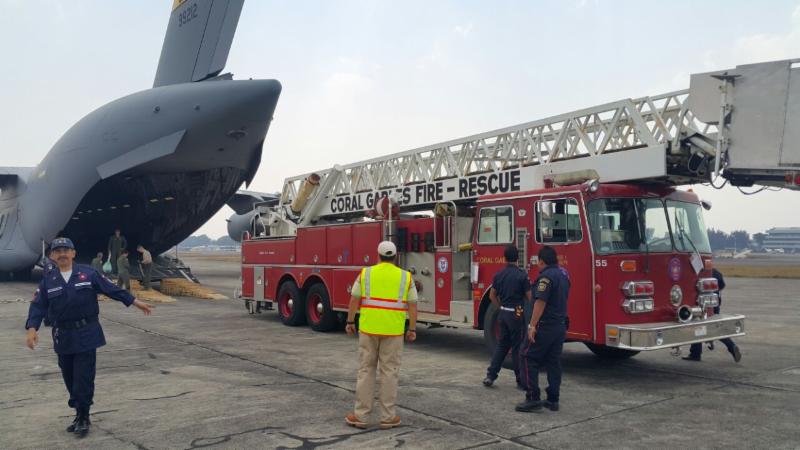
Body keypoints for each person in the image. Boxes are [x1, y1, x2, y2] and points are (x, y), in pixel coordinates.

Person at [24, 237, 153, 436]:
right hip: (63, 336)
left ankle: (83, 416)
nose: (62, 254)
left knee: (83, 378)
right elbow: (38, 305)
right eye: (58, 251)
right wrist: (32, 329)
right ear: (52, 256)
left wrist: (135, 301)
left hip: (86, 334)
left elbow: (112, 289)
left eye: (66, 250)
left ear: (74, 253)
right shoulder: (48, 280)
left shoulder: (88, 274)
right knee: (69, 377)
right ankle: (79, 411)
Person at [344, 241, 418, 430]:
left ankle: (360, 416)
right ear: (395, 257)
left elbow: (354, 299)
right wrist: (412, 328)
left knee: (366, 371)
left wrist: (350, 321)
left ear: (377, 255)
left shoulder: (366, 274)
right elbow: (413, 304)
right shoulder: (406, 277)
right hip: (393, 332)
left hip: (369, 329)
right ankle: (388, 417)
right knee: (389, 373)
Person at [516, 245, 570, 413]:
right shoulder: (563, 274)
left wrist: (532, 326)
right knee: (553, 361)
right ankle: (553, 399)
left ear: (542, 261)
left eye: (537, 261)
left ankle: (533, 397)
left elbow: (540, 302)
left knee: (526, 355)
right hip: (559, 325)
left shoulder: (545, 278)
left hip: (545, 326)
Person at [483, 244, 530, 389]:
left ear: (504, 258)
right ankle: (520, 380)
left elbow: (492, 295)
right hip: (516, 314)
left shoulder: (498, 275)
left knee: (502, 345)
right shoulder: (522, 275)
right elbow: (530, 297)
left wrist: (500, 307)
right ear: (518, 258)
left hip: (503, 313)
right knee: (517, 348)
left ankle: (490, 376)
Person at [683, 267, 742, 363]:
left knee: (698, 325)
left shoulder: (698, 273)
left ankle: (696, 353)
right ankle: (696, 352)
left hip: (701, 303)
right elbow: (722, 285)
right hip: (715, 304)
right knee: (714, 327)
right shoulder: (715, 272)